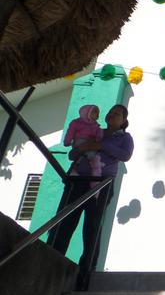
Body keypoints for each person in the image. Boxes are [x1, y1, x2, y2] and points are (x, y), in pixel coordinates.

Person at [50, 104, 134, 290]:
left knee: (92, 228)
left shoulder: (125, 138)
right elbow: (72, 153)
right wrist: (84, 146)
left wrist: (99, 145)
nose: (112, 114)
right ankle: (51, 260)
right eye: (110, 111)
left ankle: (86, 272)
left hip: (101, 185)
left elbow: (125, 155)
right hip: (78, 181)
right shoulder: (93, 130)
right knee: (64, 222)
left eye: (117, 113)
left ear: (124, 121)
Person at [63, 104, 104, 186]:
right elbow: (70, 132)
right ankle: (74, 170)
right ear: (87, 112)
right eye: (95, 112)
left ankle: (95, 172)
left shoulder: (95, 125)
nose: (97, 115)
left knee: (93, 156)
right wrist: (67, 142)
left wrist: (98, 138)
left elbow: (99, 133)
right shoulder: (77, 122)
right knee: (83, 155)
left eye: (98, 113)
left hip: (90, 143)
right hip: (80, 141)